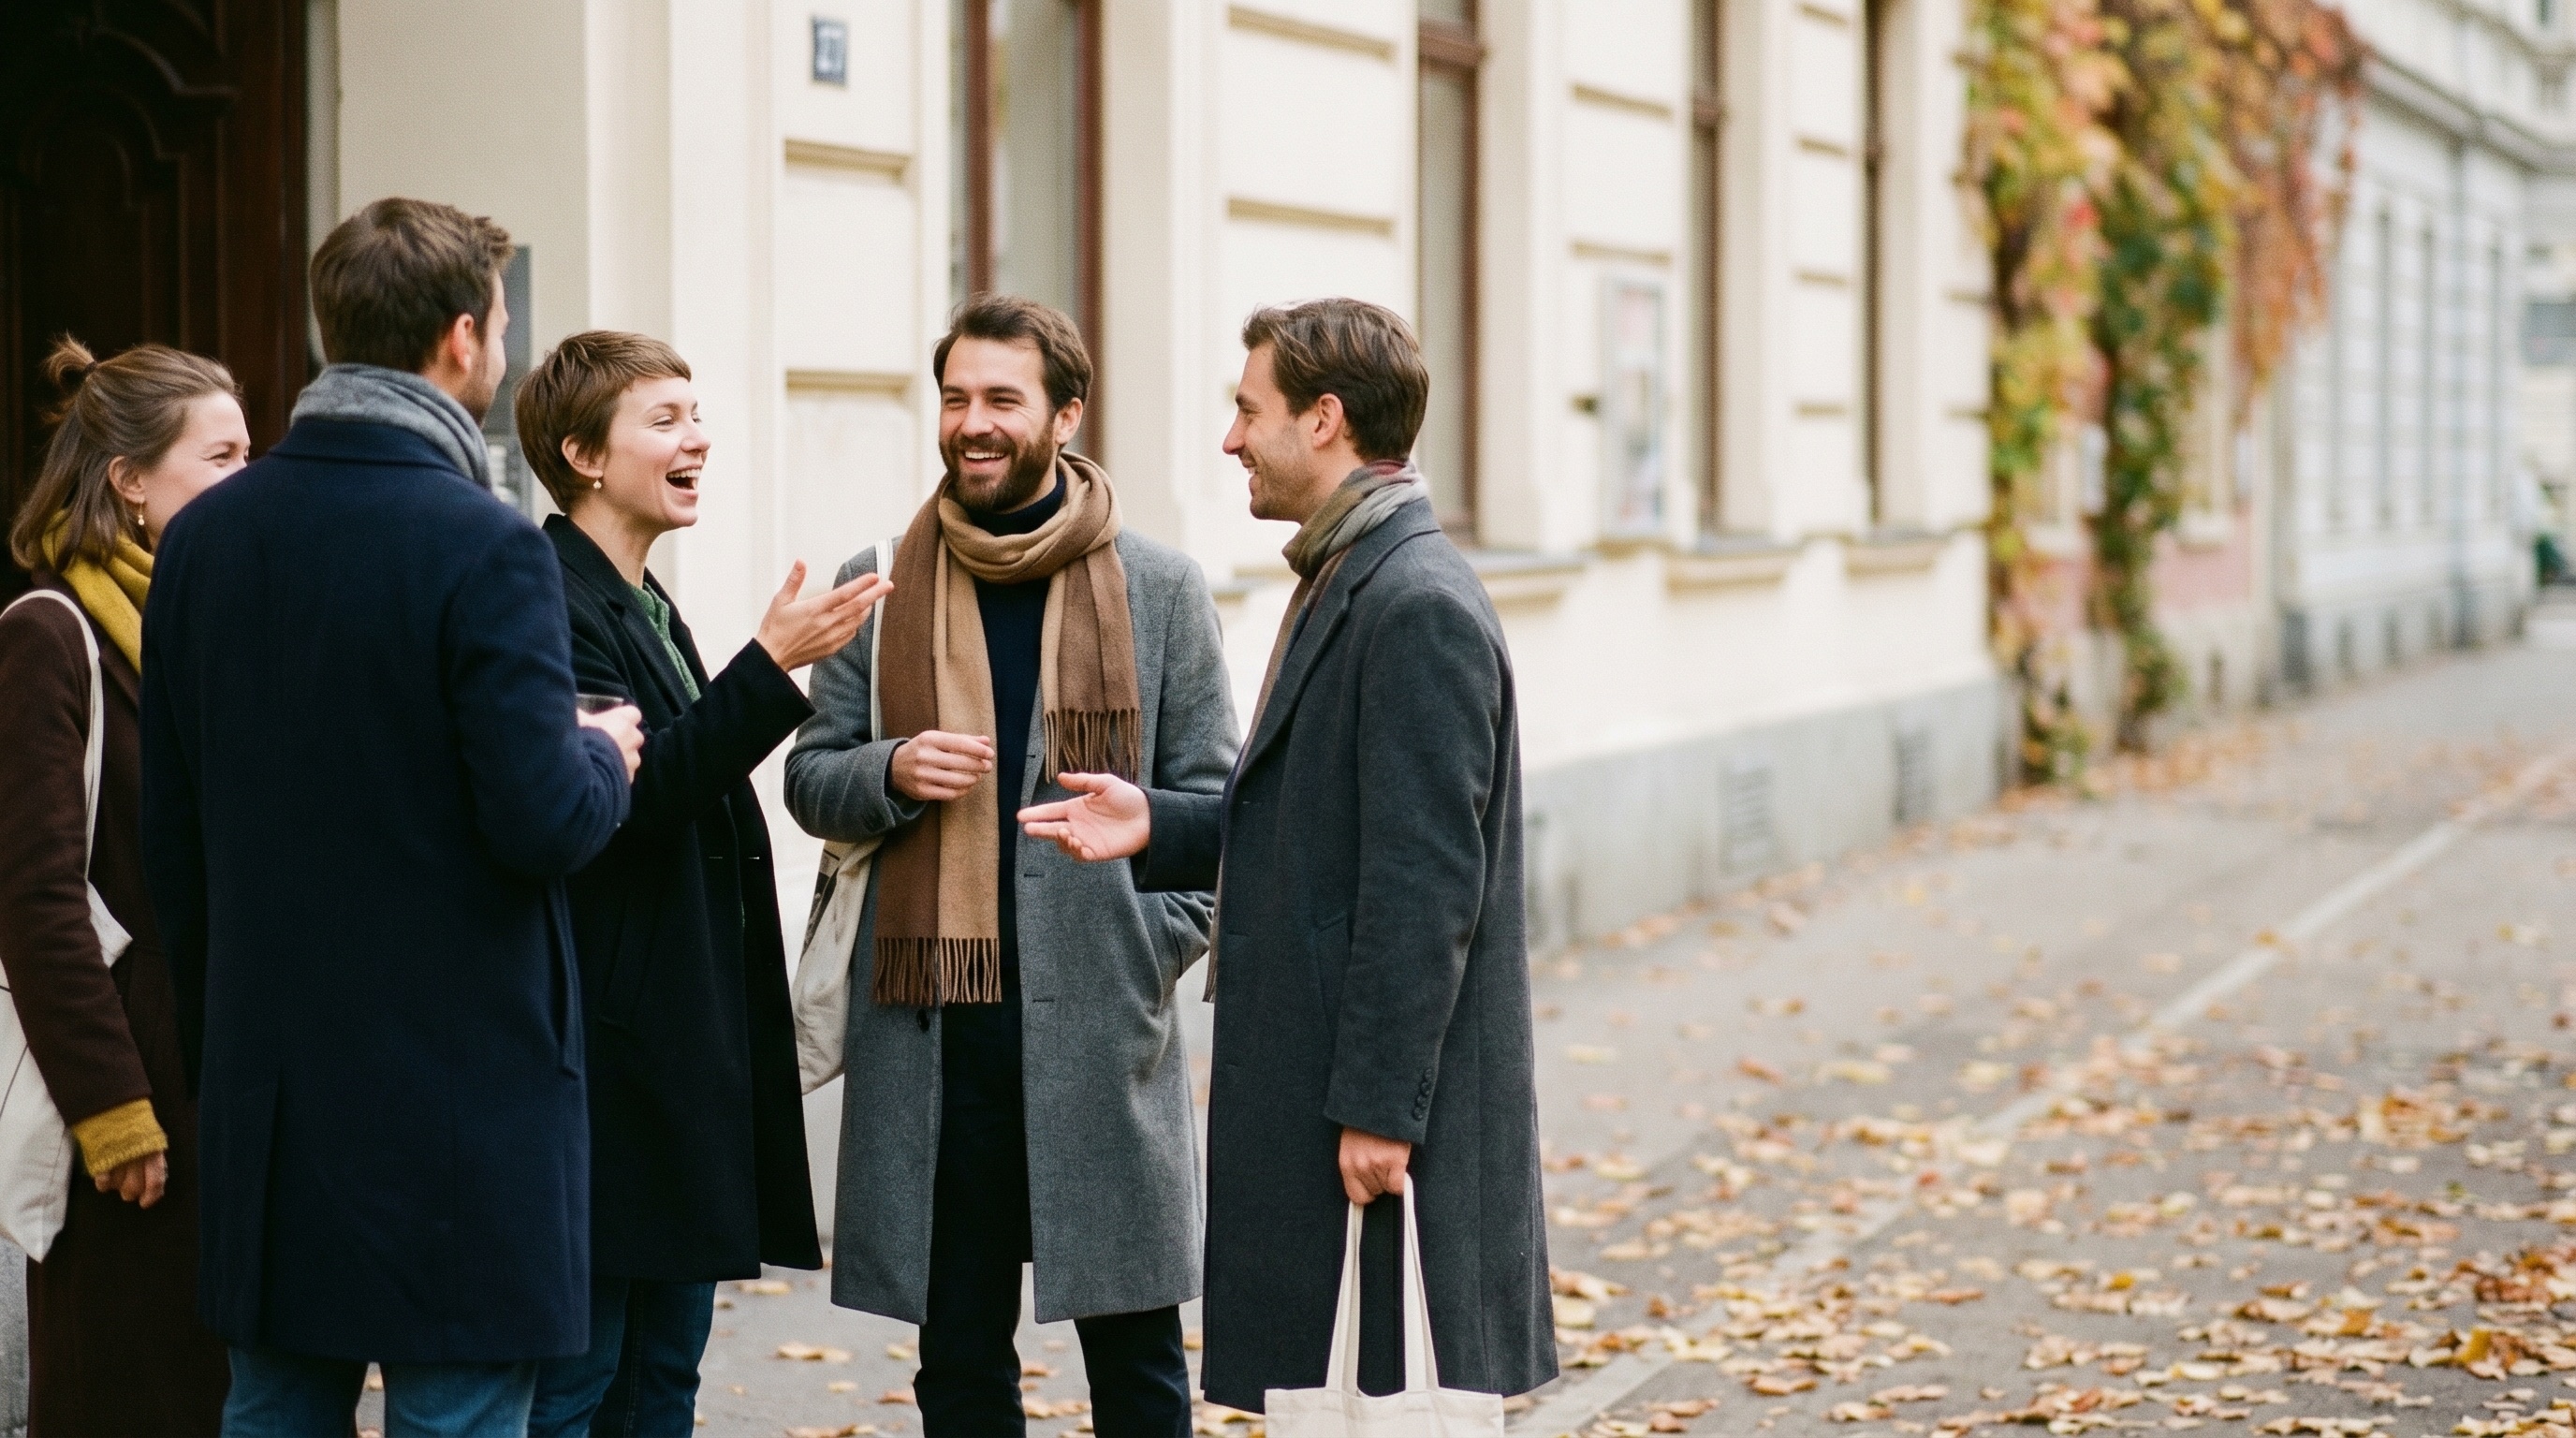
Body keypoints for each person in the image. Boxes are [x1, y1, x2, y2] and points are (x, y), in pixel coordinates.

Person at [137, 197, 646, 1438]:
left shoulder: (204, 539)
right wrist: (603, 755)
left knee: (273, 1409)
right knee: (464, 1419)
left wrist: (226, 1057)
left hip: (273, 1087)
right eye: (505, 327)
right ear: (463, 340)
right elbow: (540, 822)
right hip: (463, 1111)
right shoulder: (486, 547)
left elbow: (175, 839)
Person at [1017, 299, 1555, 1412]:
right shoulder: (1352, 573)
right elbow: (1324, 827)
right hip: (1325, 1089)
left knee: (1382, 1410)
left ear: (1323, 421)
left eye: (1245, 409)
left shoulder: (1411, 603)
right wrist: (1158, 822)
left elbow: (1422, 885)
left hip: (1368, 1117)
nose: (1228, 439)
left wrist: (1379, 1111)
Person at [783, 296, 1237, 1437]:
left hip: (1099, 1027)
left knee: (1138, 1372)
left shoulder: (1159, 587)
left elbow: (1218, 809)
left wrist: (1150, 946)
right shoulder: (881, 578)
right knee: (962, 1368)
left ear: (1063, 413)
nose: (971, 424)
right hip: (941, 1039)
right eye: (954, 399)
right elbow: (809, 779)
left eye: (1000, 399)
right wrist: (891, 769)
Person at [511, 331, 889, 1436]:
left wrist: (764, 669)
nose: (700, 438)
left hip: (678, 1054)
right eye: (666, 419)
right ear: (584, 454)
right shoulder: (549, 596)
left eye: (698, 412)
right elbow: (623, 795)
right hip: (610, 1062)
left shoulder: (641, 599)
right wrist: (770, 668)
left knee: (663, 1373)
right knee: (581, 1383)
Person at [0, 336, 245, 1435]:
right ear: (130, 481)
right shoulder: (50, 633)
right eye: (223, 457)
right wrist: (113, 1113)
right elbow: (37, 900)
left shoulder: (217, 631)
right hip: (137, 1101)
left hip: (234, 1084)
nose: (251, 481)